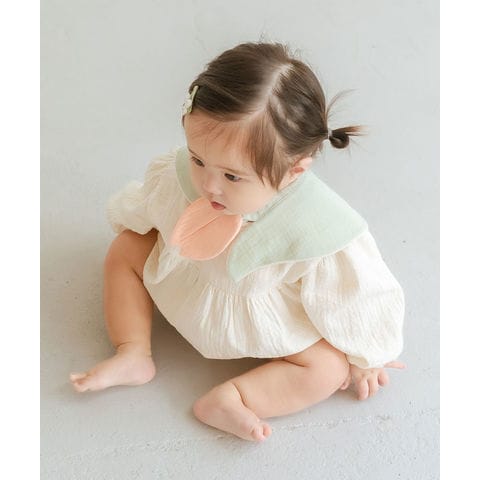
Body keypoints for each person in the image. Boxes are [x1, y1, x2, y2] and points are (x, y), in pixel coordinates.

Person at [70, 42, 405, 442]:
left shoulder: (320, 226)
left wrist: (368, 354)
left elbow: (353, 296)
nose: (208, 185)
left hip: (257, 323)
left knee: (328, 368)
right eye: (198, 159)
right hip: (185, 281)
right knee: (126, 247)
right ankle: (132, 350)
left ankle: (235, 398)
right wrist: (144, 222)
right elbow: (153, 207)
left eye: (232, 176)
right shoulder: (189, 176)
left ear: (294, 171)